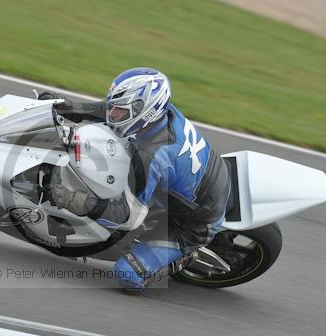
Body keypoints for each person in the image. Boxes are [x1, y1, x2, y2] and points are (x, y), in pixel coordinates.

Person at [40, 67, 230, 292]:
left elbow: (123, 217)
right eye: (115, 108)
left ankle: (185, 256)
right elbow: (105, 109)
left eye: (120, 112)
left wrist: (71, 199)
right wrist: (66, 108)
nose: (113, 115)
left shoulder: (150, 156)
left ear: (145, 111)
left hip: (193, 223)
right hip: (205, 179)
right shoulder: (161, 112)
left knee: (127, 275)